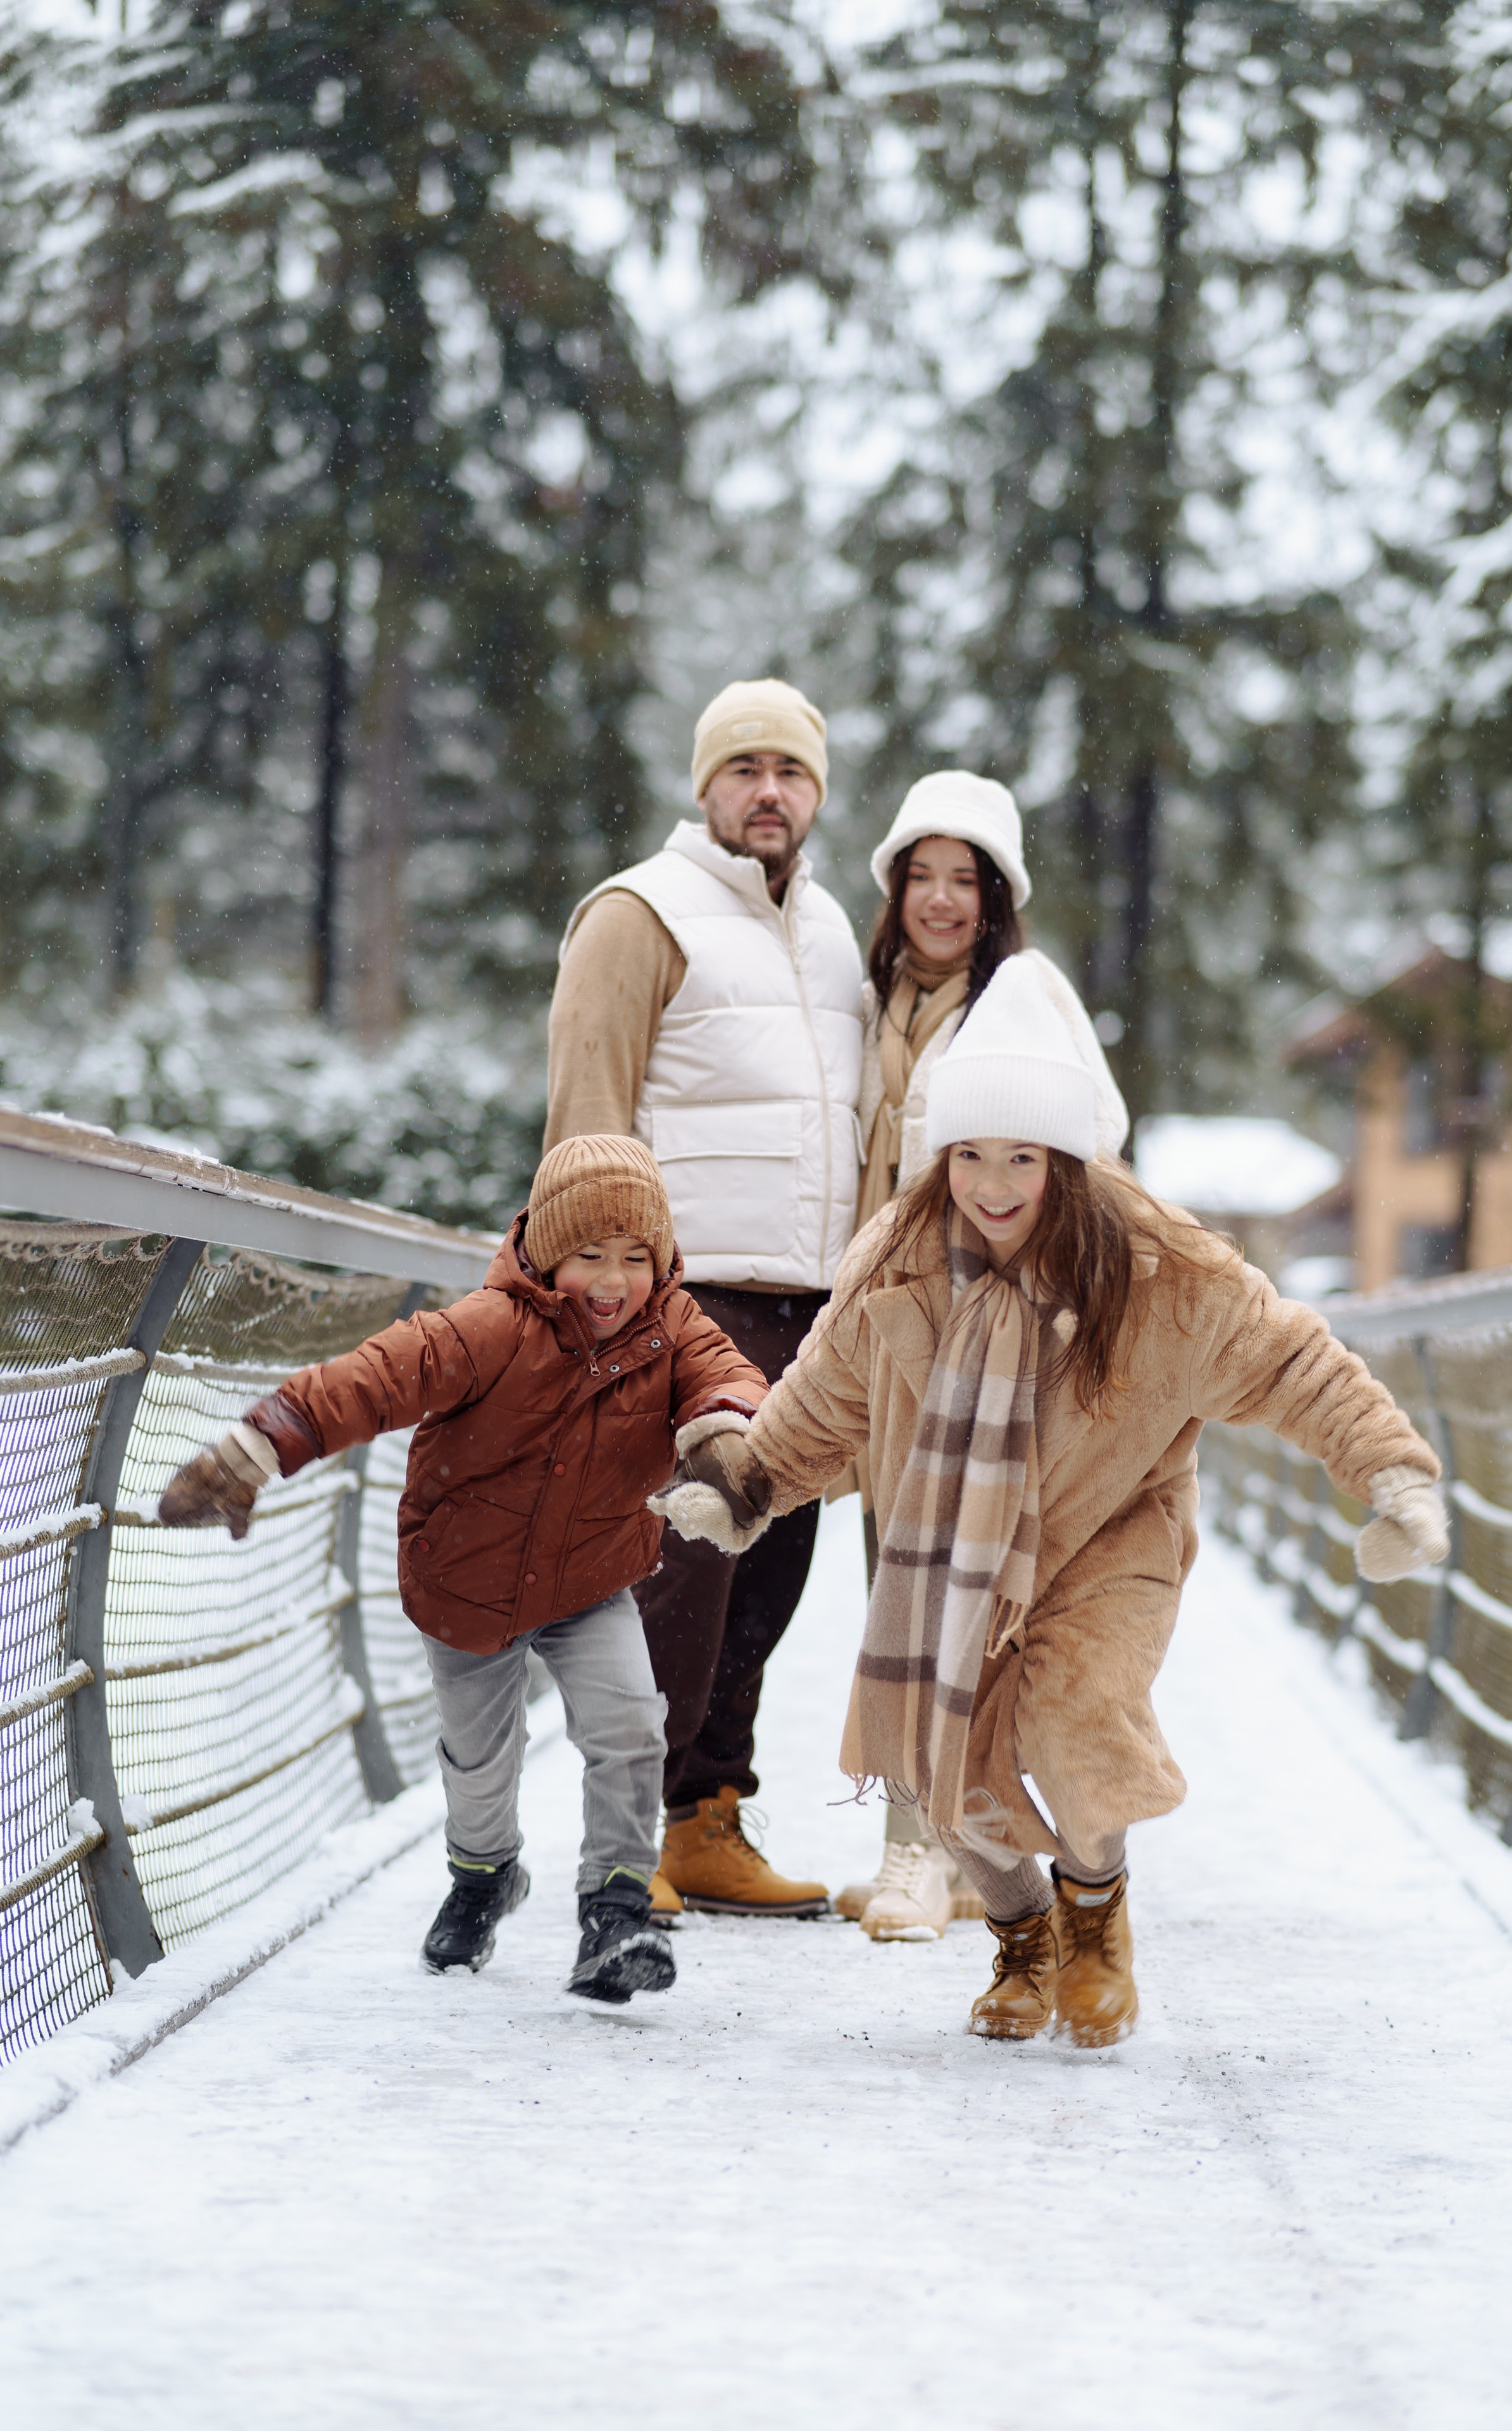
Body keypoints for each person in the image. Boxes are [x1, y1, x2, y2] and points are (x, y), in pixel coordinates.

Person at [653, 958, 1449, 2045]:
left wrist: (1391, 1474)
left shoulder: (1160, 1269)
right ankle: (1024, 1943)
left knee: (1079, 1727)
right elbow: (825, 1395)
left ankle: (1096, 1920)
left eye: (1021, 1157)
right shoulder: (900, 1262)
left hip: (1114, 1533)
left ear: (1066, 1159)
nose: (992, 1183)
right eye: (970, 1154)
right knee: (951, 1782)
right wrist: (746, 1488)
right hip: (951, 1545)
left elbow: (1293, 1365)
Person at [154, 1135, 768, 2006]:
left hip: (592, 1578)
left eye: (636, 1258)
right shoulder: (491, 1329)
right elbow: (369, 1381)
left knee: (632, 1724)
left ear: (662, 1263)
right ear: (548, 1253)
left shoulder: (673, 1331)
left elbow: (726, 1378)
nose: (613, 1280)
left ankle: (616, 1910)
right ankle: (483, 1878)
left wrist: (727, 1437)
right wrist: (257, 1448)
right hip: (470, 1584)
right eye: (589, 1255)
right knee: (484, 1760)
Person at [544, 679, 863, 1920]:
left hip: (812, 1311)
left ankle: (706, 1820)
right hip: (685, 1303)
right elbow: (585, 1113)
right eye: (745, 769)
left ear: (815, 794)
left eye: (791, 771)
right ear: (704, 785)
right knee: (674, 1576)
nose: (768, 792)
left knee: (770, 1573)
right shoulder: (639, 914)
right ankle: (621, 1839)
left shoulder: (834, 930)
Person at [837, 769, 1128, 1942]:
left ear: (999, 894)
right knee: (897, 1590)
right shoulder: (874, 1002)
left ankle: (955, 1855)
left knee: (970, 1597)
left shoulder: (1024, 997)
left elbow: (1098, 1140)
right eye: (923, 875)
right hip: (887, 1336)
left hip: (988, 1342)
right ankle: (930, 1846)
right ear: (895, 886)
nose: (943, 900)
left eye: (967, 879)